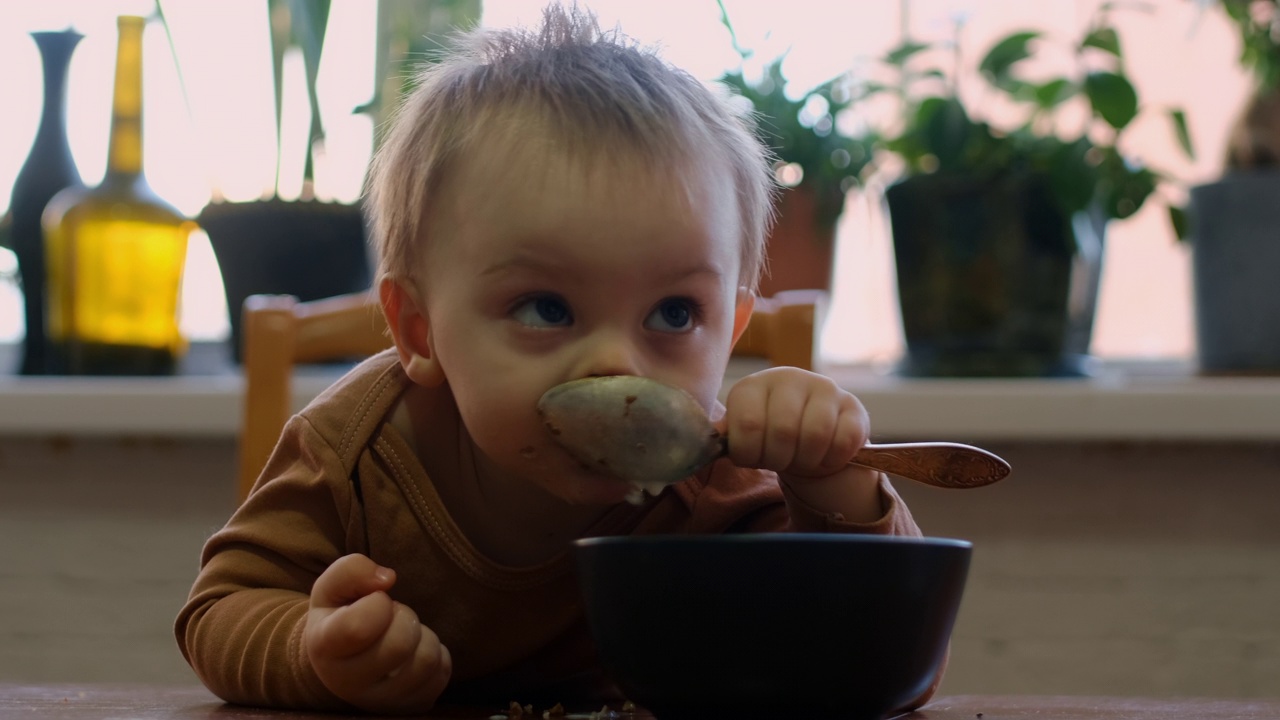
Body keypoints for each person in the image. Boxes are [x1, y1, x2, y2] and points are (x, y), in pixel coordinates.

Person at [175, 3, 937, 715]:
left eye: (675, 313)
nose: (614, 363)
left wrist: (836, 483)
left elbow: (878, 657)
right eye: (545, 308)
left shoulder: (725, 472)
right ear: (419, 331)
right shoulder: (351, 454)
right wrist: (313, 651)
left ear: (731, 329)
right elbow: (219, 610)